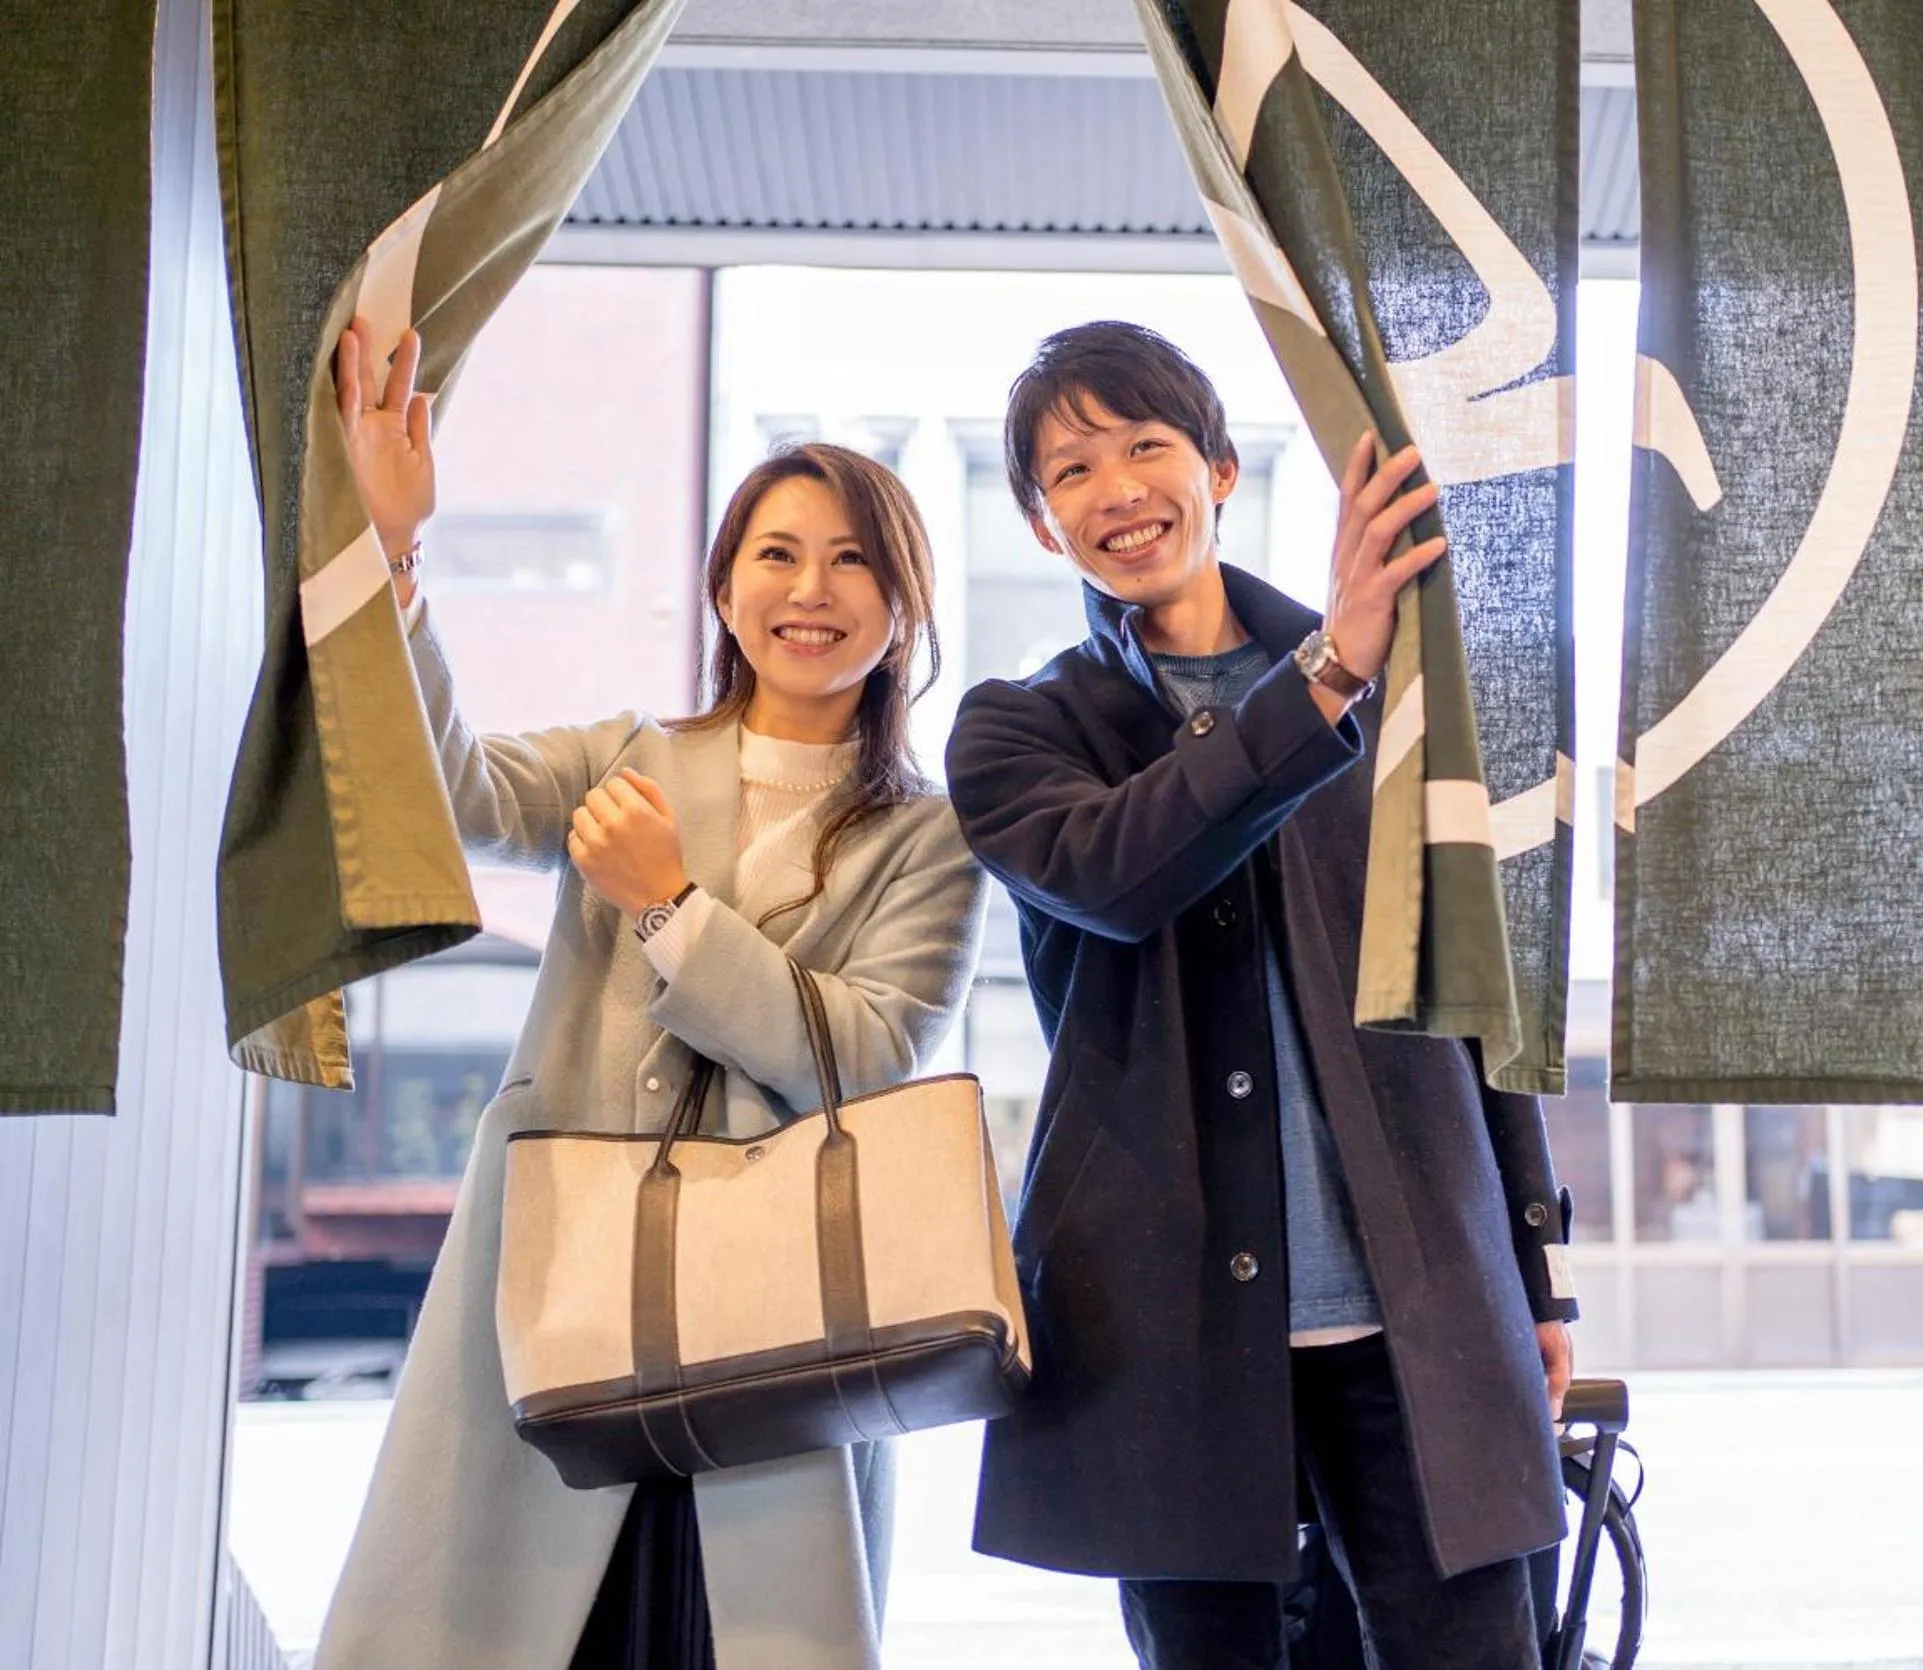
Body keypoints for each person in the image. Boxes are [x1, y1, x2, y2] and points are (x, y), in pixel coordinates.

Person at [312, 321, 984, 1669]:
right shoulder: (622, 756)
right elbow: (443, 794)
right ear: (725, 587)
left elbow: (859, 1058)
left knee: (725, 1633)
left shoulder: (933, 837)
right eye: (778, 552)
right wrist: (394, 556)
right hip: (569, 1296)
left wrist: (672, 908)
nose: (813, 587)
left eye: (856, 558)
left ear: (906, 606)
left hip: (786, 1328)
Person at [949, 320, 1578, 1670]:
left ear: (1220, 468)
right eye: (1070, 470)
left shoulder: (1397, 685)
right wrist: (1327, 675)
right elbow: (1120, 873)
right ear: (1041, 522)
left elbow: (1476, 993)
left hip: (1419, 1313)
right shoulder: (1018, 730)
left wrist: (1537, 1266)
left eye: (1146, 446)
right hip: (1162, 1339)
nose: (1115, 489)